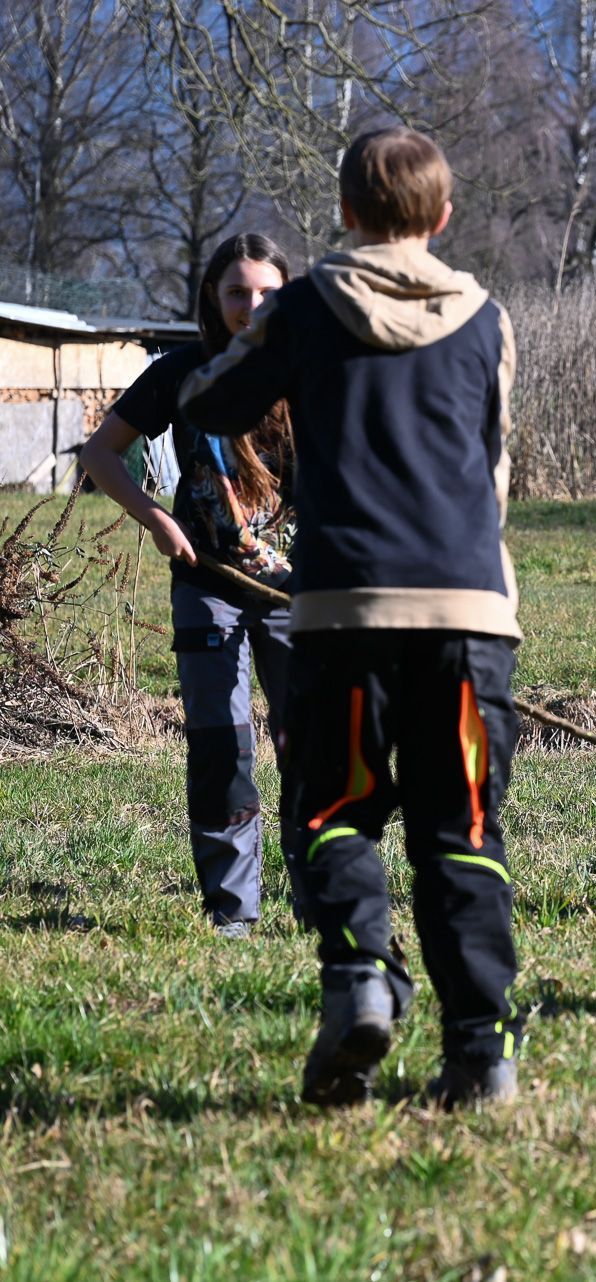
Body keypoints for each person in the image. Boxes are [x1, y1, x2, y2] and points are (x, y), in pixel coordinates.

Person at [178, 126, 523, 1108]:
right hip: (468, 612)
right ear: (443, 216)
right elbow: (493, 470)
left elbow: (210, 404)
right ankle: (481, 1052)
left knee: (333, 813)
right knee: (462, 829)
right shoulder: (488, 317)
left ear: (344, 211)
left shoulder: (303, 308)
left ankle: (361, 978)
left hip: (343, 612)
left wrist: (251, 350)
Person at [78, 233, 297, 940]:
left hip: (299, 594)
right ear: (212, 296)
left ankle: (324, 897)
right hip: (208, 584)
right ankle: (234, 913)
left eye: (266, 293)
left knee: (313, 746)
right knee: (221, 747)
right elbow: (101, 453)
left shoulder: (309, 373)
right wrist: (155, 520)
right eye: (237, 292)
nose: (251, 306)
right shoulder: (180, 372)